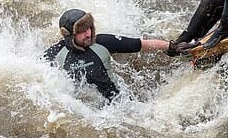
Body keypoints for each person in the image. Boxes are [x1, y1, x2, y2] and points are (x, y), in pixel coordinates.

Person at [43, 8, 180, 101]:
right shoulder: (56, 54)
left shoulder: (103, 42)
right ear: (69, 35)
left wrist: (172, 46)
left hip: (119, 105)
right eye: (82, 31)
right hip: (85, 112)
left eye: (89, 28)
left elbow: (141, 44)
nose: (89, 34)